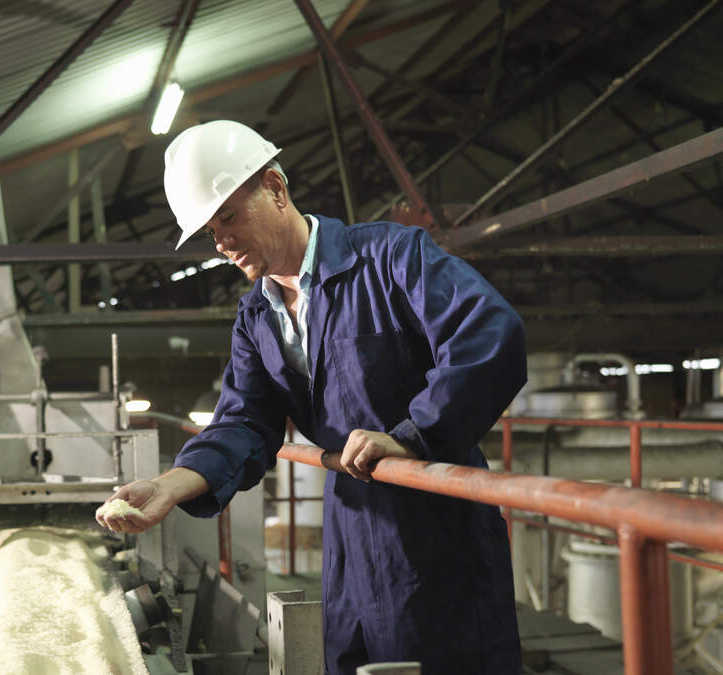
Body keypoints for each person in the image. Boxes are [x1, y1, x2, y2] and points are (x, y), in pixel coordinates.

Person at [96, 120, 526, 674]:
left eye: (228, 216)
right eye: (209, 230)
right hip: (350, 518)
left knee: (442, 661)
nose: (221, 241)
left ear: (275, 188)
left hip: (436, 511)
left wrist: (412, 436)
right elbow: (244, 421)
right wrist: (170, 484)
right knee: (350, 659)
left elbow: (488, 332)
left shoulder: (389, 257)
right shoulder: (257, 316)